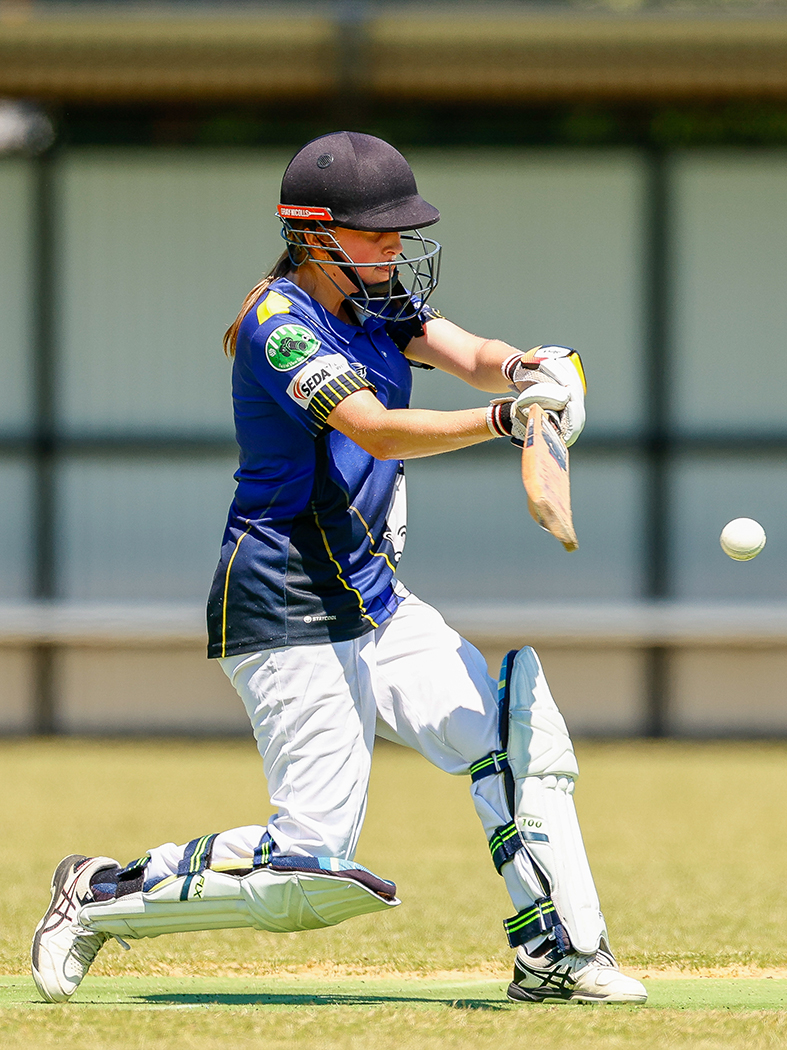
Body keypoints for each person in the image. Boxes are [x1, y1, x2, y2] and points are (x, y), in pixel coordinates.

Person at [31, 131, 646, 1006]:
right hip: (286, 603)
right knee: (308, 873)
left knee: (515, 741)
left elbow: (466, 351)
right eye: (376, 232)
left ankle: (558, 955)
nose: (395, 247)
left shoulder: (374, 297)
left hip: (374, 597)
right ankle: (98, 894)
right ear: (314, 234)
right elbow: (374, 429)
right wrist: (505, 419)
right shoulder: (278, 327)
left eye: (402, 231)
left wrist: (529, 367)